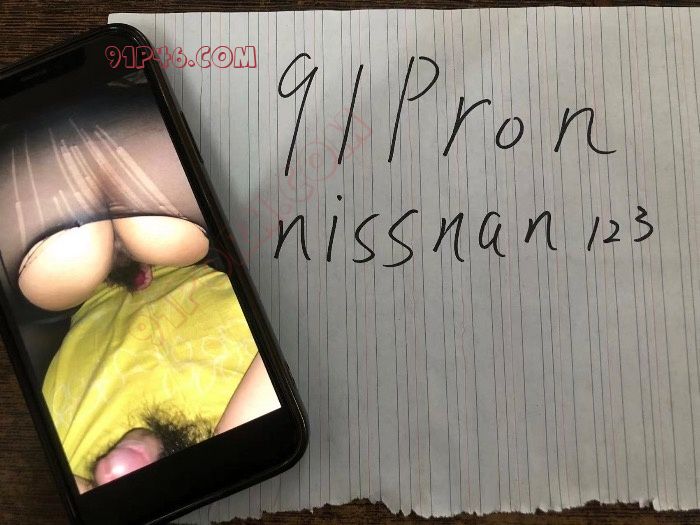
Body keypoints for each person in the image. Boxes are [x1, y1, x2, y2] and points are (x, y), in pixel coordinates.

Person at [18, 216, 280, 493]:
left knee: (73, 248)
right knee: (148, 231)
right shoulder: (236, 458)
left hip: (86, 288)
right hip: (176, 258)